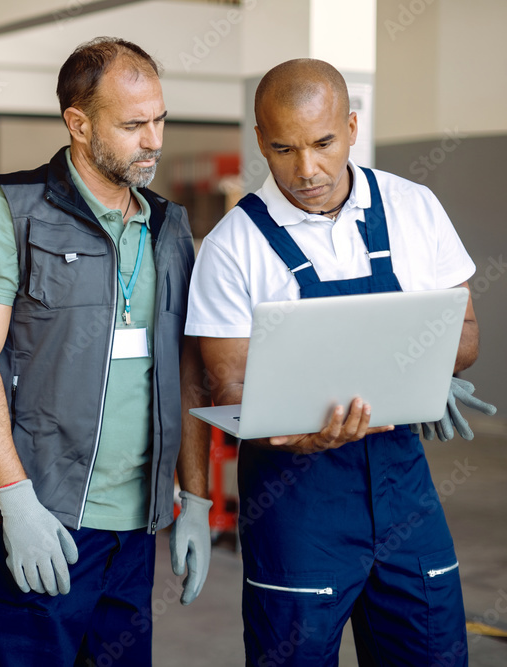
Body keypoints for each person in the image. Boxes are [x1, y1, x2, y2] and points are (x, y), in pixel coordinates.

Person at [185, 58, 496, 666]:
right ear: (260, 143)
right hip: (296, 509)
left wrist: (426, 376)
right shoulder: (233, 246)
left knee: (431, 652)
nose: (306, 170)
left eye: (324, 143)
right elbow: (231, 385)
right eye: (283, 149)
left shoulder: (415, 207)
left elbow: (465, 332)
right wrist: (302, 436)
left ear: (352, 127)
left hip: (405, 491)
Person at [0, 37, 212, 666]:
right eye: (133, 125)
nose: (155, 140)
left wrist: (195, 500)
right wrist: (14, 501)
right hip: (46, 520)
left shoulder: (170, 228)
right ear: (78, 123)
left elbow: (188, 371)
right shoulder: (12, 211)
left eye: (160, 120)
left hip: (137, 529)